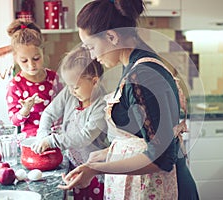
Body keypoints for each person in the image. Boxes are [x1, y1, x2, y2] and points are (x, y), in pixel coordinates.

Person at [58, 0, 199, 199]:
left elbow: (160, 158)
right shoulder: (137, 63)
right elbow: (143, 138)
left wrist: (97, 170)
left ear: (111, 36)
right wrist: (108, 153)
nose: (92, 55)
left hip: (166, 189)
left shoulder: (142, 76)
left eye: (91, 46)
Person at [31, 46, 109, 199]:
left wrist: (53, 140)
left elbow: (84, 137)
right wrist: (42, 134)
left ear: (94, 82)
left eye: (76, 87)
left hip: (93, 169)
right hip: (72, 163)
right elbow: (48, 113)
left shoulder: (101, 105)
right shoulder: (70, 93)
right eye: (69, 86)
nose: (72, 91)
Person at [6, 19, 63, 138]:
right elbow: (14, 121)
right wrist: (25, 109)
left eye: (36, 58)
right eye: (24, 61)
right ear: (16, 58)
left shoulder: (53, 78)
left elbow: (65, 105)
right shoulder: (15, 85)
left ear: (43, 52)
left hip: (57, 137)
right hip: (32, 140)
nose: (31, 65)